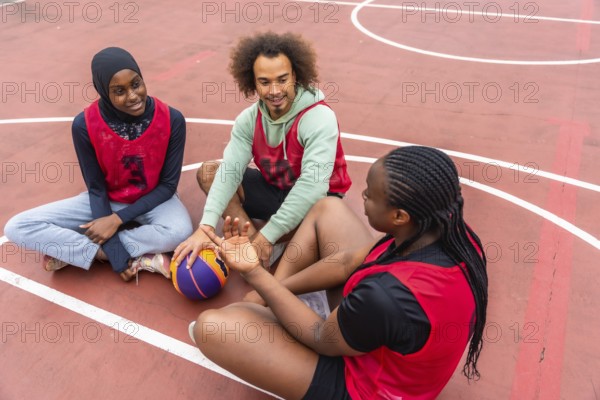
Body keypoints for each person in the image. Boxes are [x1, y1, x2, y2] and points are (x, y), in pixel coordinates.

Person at [191, 146, 488, 399]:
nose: (363, 195)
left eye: (371, 196)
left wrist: (257, 274)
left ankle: (285, 312)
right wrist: (269, 292)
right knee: (328, 208)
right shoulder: (447, 235)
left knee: (213, 327)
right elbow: (349, 263)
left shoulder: (386, 295)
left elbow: (321, 336)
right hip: (379, 335)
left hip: (365, 387)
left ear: (399, 216)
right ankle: (279, 303)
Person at [4, 47, 193, 282]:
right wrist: (115, 252)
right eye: (119, 91)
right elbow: (96, 189)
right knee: (18, 227)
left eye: (136, 84)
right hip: (105, 200)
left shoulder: (172, 119)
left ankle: (79, 252)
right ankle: (129, 255)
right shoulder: (84, 125)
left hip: (154, 198)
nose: (133, 96)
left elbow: (167, 185)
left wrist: (117, 223)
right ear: (103, 91)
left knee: (180, 232)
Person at [173, 31, 352, 270]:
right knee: (210, 172)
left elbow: (313, 186)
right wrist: (205, 227)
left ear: (296, 75)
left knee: (326, 216)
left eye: (282, 79)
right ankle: (252, 250)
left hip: (318, 202)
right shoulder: (249, 119)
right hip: (276, 191)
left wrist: (269, 234)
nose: (275, 90)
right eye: (265, 82)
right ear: (253, 82)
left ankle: (265, 245)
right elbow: (231, 171)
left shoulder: (318, 117)